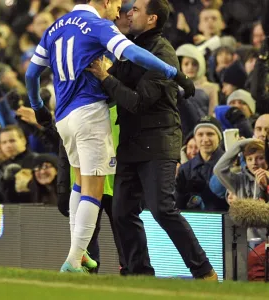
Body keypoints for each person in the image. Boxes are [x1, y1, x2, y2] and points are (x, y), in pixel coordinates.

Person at [25, 0, 195, 274]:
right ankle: (73, 259)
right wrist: (174, 73)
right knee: (93, 187)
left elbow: (32, 73)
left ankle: (77, 254)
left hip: (64, 116)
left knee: (79, 184)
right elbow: (135, 54)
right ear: (104, 1)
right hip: (89, 113)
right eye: (117, 3)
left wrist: (38, 108)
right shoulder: (97, 26)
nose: (120, 11)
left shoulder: (55, 27)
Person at [87, 0, 216, 279]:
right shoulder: (129, 50)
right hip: (131, 144)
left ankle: (204, 270)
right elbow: (112, 90)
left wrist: (103, 76)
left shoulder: (163, 53)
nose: (129, 12)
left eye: (136, 9)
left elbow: (137, 101)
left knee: (162, 210)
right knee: (121, 212)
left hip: (158, 141)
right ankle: (139, 274)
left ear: (151, 19)